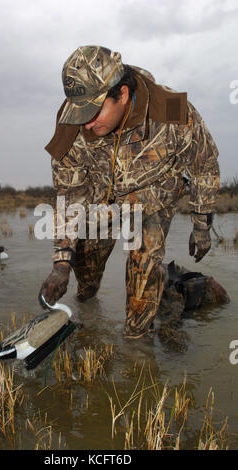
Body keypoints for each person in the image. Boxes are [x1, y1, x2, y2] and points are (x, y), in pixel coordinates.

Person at [39, 45, 220, 340]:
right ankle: (89, 313)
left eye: (93, 112)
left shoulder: (172, 109)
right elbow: (70, 194)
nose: (85, 122)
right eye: (79, 112)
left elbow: (204, 167)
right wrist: (61, 264)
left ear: (121, 94)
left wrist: (201, 226)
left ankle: (138, 350)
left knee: (142, 284)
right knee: (85, 284)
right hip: (100, 201)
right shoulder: (71, 123)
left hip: (153, 199)